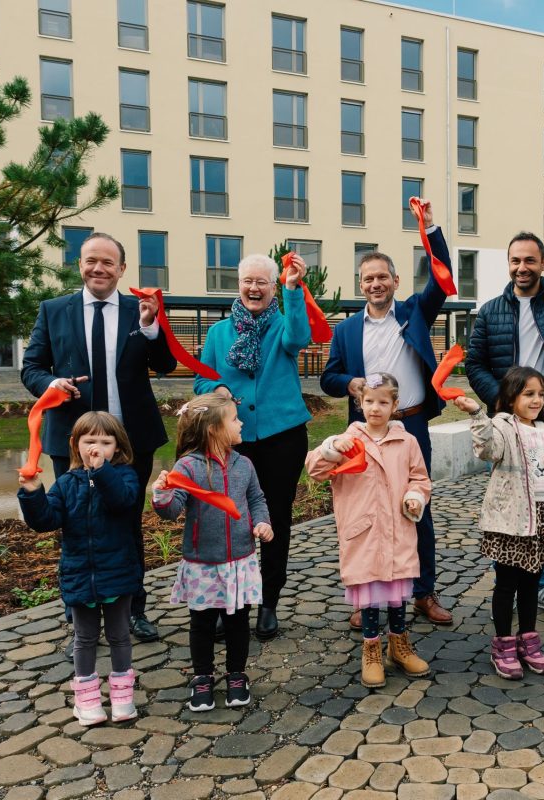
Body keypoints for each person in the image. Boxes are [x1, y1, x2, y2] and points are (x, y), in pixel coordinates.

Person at [21, 232, 176, 644]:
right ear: (80, 265)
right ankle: (81, 617)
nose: (98, 268)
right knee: (75, 523)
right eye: (91, 260)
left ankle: (134, 611)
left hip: (129, 443)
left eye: (108, 262)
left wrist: (150, 328)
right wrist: (51, 383)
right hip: (72, 443)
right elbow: (31, 368)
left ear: (121, 269)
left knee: (127, 524)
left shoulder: (141, 309)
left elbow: (165, 364)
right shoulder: (53, 310)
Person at [320, 198, 453, 628]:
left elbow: (441, 277)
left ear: (396, 280)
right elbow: (328, 378)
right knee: (366, 513)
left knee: (416, 506)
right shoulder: (346, 330)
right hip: (364, 431)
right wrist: (350, 384)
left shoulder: (415, 311)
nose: (376, 284)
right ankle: (368, 597)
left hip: (410, 424)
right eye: (368, 279)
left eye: (382, 277)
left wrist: (430, 229)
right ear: (361, 285)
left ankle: (423, 592)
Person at [465, 210, 544, 620]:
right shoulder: (490, 311)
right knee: (510, 499)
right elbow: (474, 364)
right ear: (509, 264)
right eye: (515, 260)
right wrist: (502, 401)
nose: (522, 267)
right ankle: (508, 576)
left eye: (530, 260)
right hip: (506, 424)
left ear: (542, 263)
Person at [194, 253, 311, 642]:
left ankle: (269, 601)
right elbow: (201, 380)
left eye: (262, 282)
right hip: (233, 440)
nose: (254, 288)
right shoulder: (218, 333)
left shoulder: (283, 325)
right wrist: (217, 388)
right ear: (238, 284)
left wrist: (294, 289)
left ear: (273, 287)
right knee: (230, 520)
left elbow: (299, 338)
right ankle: (231, 602)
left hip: (283, 437)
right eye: (248, 281)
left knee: (275, 519)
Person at [305, 373, 433, 688]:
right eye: (370, 401)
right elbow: (315, 470)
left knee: (397, 592)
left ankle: (399, 645)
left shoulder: (407, 442)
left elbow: (419, 478)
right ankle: (371, 649)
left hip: (397, 529)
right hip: (363, 530)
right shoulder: (348, 441)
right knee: (371, 593)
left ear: (394, 405)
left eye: (383, 402)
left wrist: (415, 497)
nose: (376, 408)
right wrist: (331, 448)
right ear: (360, 403)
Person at [17, 411, 142, 726]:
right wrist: (32, 493)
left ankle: (123, 700)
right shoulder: (66, 483)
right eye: (89, 441)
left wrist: (101, 472)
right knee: (84, 638)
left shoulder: (125, 476)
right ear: (76, 445)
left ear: (118, 446)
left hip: (118, 573)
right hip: (80, 575)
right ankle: (88, 703)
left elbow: (122, 501)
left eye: (105, 442)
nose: (96, 448)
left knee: (119, 635)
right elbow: (46, 520)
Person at [152, 394, 273, 712]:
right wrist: (162, 494)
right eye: (234, 419)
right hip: (203, 564)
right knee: (202, 624)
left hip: (240, 561)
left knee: (238, 623)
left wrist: (262, 522)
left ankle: (236, 675)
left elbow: (257, 499)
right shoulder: (187, 466)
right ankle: (203, 677)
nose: (241, 423)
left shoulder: (244, 464)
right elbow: (172, 510)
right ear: (213, 429)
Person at [453, 367, 544, 680]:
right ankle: (503, 645)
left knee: (532, 583)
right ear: (511, 398)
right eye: (528, 394)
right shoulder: (503, 426)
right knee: (507, 583)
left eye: (541, 394)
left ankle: (528, 641)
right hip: (513, 519)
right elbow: (488, 450)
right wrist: (477, 415)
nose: (537, 400)